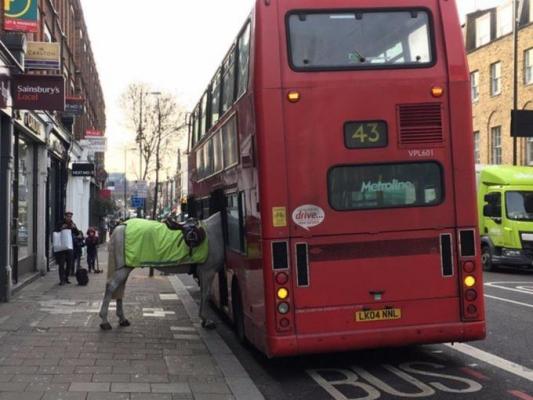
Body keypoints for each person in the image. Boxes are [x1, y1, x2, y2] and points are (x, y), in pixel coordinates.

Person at [54, 211, 80, 285]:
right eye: (68, 216)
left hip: (69, 246)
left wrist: (74, 228)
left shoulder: (72, 224)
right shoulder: (61, 223)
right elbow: (55, 232)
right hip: (61, 246)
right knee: (61, 264)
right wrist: (61, 228)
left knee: (69, 263)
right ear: (65, 216)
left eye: (70, 216)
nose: (69, 218)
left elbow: (77, 233)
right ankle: (61, 280)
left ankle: (66, 278)